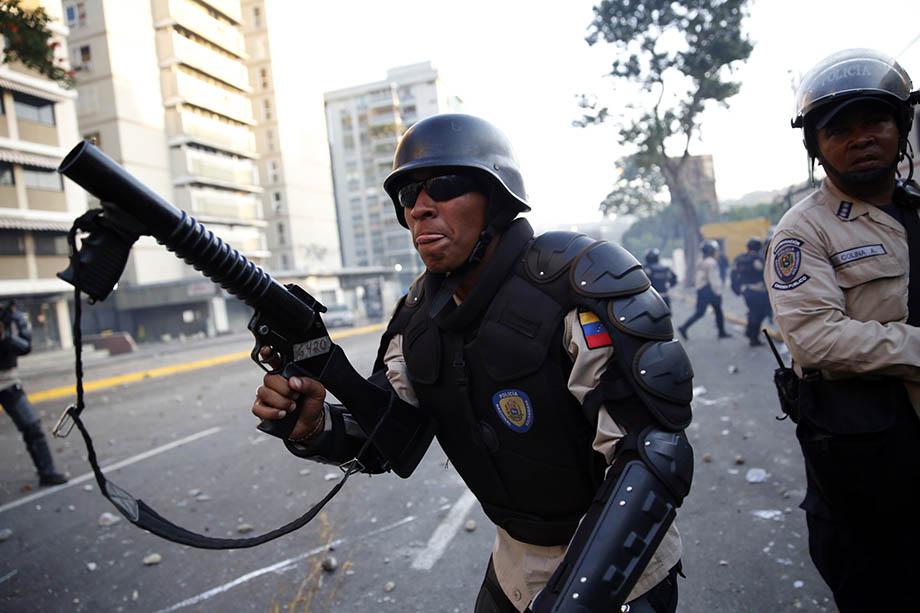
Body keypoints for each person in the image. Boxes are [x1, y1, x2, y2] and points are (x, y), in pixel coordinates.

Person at [252, 114, 694, 612]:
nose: (420, 207)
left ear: (497, 198)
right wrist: (315, 424)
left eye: (443, 184)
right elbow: (388, 439)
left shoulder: (577, 285)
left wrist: (573, 600)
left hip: (622, 576)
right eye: (407, 196)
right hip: (515, 562)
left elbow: (654, 459)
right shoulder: (417, 317)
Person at [766, 48, 920, 611]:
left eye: (875, 121)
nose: (861, 138)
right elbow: (816, 337)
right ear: (817, 146)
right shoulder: (803, 231)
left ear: (900, 126)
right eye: (840, 129)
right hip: (866, 472)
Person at [0, 300, 67, 487]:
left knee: (32, 427)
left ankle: (47, 472)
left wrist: (5, 336)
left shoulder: (11, 317)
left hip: (7, 382)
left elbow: (25, 346)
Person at [677, 241, 731, 340]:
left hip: (702, 290)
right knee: (708, 312)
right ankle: (684, 327)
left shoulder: (701, 261)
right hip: (709, 290)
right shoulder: (711, 262)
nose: (717, 252)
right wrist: (718, 292)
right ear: (711, 251)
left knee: (708, 312)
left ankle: (721, 331)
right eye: (715, 251)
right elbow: (713, 278)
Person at [731, 238, 770, 347]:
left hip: (745, 291)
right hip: (758, 291)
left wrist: (737, 289)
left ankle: (750, 333)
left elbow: (733, 275)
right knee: (760, 313)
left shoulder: (739, 259)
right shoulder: (758, 259)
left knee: (753, 312)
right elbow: (765, 274)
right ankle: (753, 337)